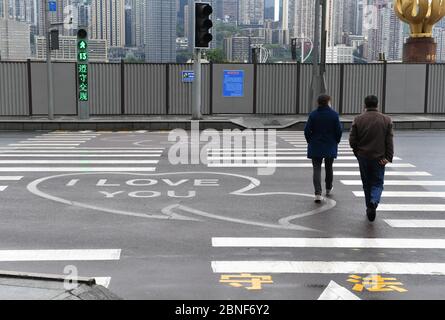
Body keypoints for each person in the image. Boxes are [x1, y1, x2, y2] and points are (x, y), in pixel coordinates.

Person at [349, 95, 394, 222]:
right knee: (378, 182)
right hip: (379, 158)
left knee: (366, 183)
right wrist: (388, 157)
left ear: (365, 105)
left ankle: (369, 205)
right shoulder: (386, 120)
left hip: (363, 156)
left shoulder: (358, 119)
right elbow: (389, 141)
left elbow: (352, 139)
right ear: (377, 105)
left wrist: (357, 152)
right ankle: (374, 201)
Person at [304, 94, 343, 203]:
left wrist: (310, 141)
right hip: (330, 144)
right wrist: (337, 141)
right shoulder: (334, 115)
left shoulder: (313, 115)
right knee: (329, 167)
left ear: (318, 103)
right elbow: (339, 131)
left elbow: (307, 131)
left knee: (316, 169)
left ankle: (317, 193)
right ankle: (328, 188)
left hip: (315, 145)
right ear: (328, 102)